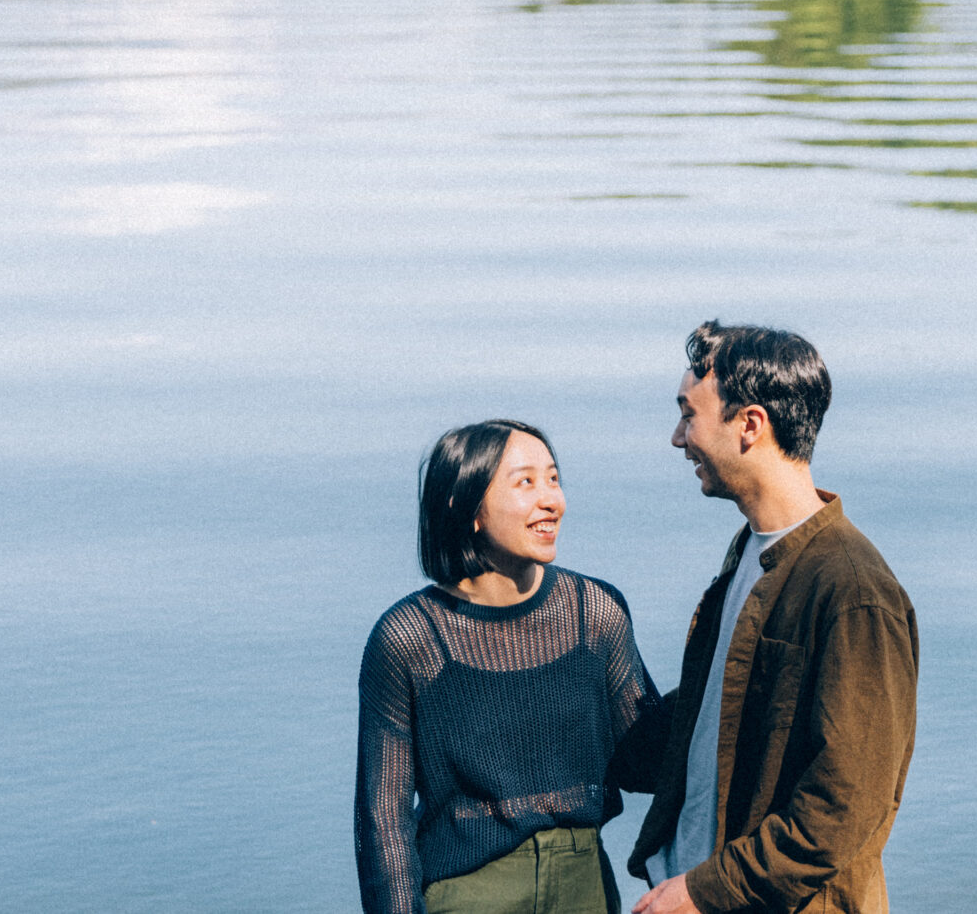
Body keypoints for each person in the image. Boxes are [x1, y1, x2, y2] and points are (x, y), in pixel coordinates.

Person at [621, 322, 918, 914]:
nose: (679, 438)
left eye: (689, 414)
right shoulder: (751, 555)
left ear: (750, 424)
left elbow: (843, 804)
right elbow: (722, 714)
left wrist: (705, 892)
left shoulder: (852, 590)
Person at [358, 419, 659, 914]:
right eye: (526, 482)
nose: (551, 500)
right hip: (466, 894)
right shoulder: (408, 637)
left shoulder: (595, 612)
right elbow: (383, 823)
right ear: (466, 506)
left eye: (554, 478)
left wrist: (729, 667)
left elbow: (644, 761)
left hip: (585, 888)